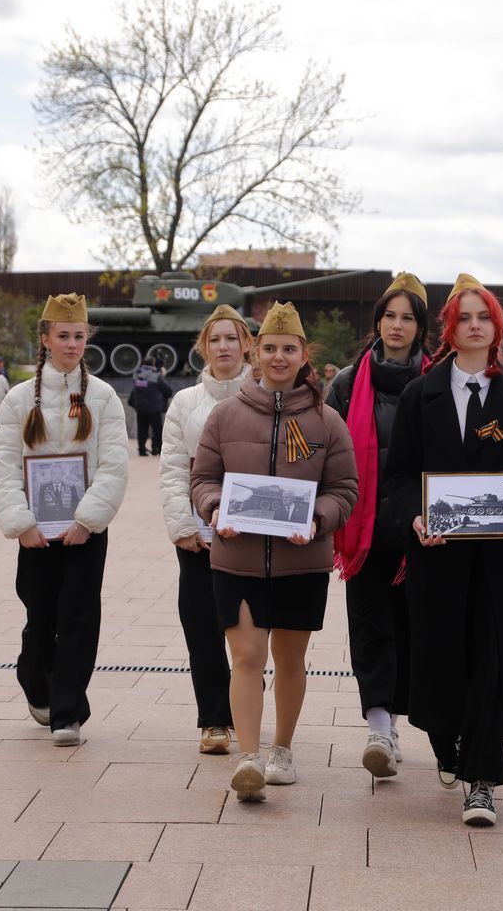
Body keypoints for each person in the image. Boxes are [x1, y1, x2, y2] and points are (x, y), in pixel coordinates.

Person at [384, 273, 503, 826]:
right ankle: (448, 748)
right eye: (465, 317)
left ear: (497, 328)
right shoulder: (421, 393)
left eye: (485, 317)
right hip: (437, 557)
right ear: (450, 328)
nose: (475, 325)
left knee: (490, 655)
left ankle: (481, 781)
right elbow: (400, 475)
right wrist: (415, 515)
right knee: (439, 657)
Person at [190, 301, 358, 802]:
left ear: (304, 354)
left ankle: (281, 748)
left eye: (288, 349)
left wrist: (318, 518)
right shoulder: (224, 415)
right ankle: (248, 757)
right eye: (269, 348)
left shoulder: (328, 422)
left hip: (300, 563)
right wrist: (216, 507)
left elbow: (345, 488)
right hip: (236, 560)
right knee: (245, 656)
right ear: (253, 351)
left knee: (289, 659)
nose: (278, 357)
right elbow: (201, 478)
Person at [0, 293, 128, 747]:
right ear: (46, 339)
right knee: (40, 617)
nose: (72, 344)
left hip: (84, 532)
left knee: (79, 618)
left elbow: (112, 465)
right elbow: (6, 465)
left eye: (79, 336)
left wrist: (88, 519)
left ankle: (67, 712)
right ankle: (37, 684)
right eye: (63, 336)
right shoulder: (16, 399)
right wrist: (20, 522)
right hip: (35, 532)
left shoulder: (103, 396)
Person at [326, 272, 431, 778]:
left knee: (421, 631)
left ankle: (436, 728)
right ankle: (380, 728)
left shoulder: (439, 380)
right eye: (389, 315)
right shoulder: (347, 383)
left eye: (407, 317)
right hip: (363, 533)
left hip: (424, 532)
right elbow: (323, 449)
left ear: (421, 326)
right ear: (377, 322)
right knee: (369, 628)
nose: (397, 325)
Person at [160, 304, 255, 756]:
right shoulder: (184, 403)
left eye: (231, 338)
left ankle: (249, 717)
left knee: (250, 634)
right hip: (200, 536)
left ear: (246, 344)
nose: (223, 347)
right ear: (204, 347)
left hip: (254, 538)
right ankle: (214, 720)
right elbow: (174, 468)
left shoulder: (265, 393)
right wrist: (181, 526)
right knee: (201, 626)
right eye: (215, 339)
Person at [129, 355, 171, 456]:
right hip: (154, 407)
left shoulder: (137, 373)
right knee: (157, 430)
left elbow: (137, 388)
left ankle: (142, 450)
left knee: (142, 429)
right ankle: (159, 449)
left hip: (140, 407)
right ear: (153, 363)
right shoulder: (156, 374)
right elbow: (167, 390)